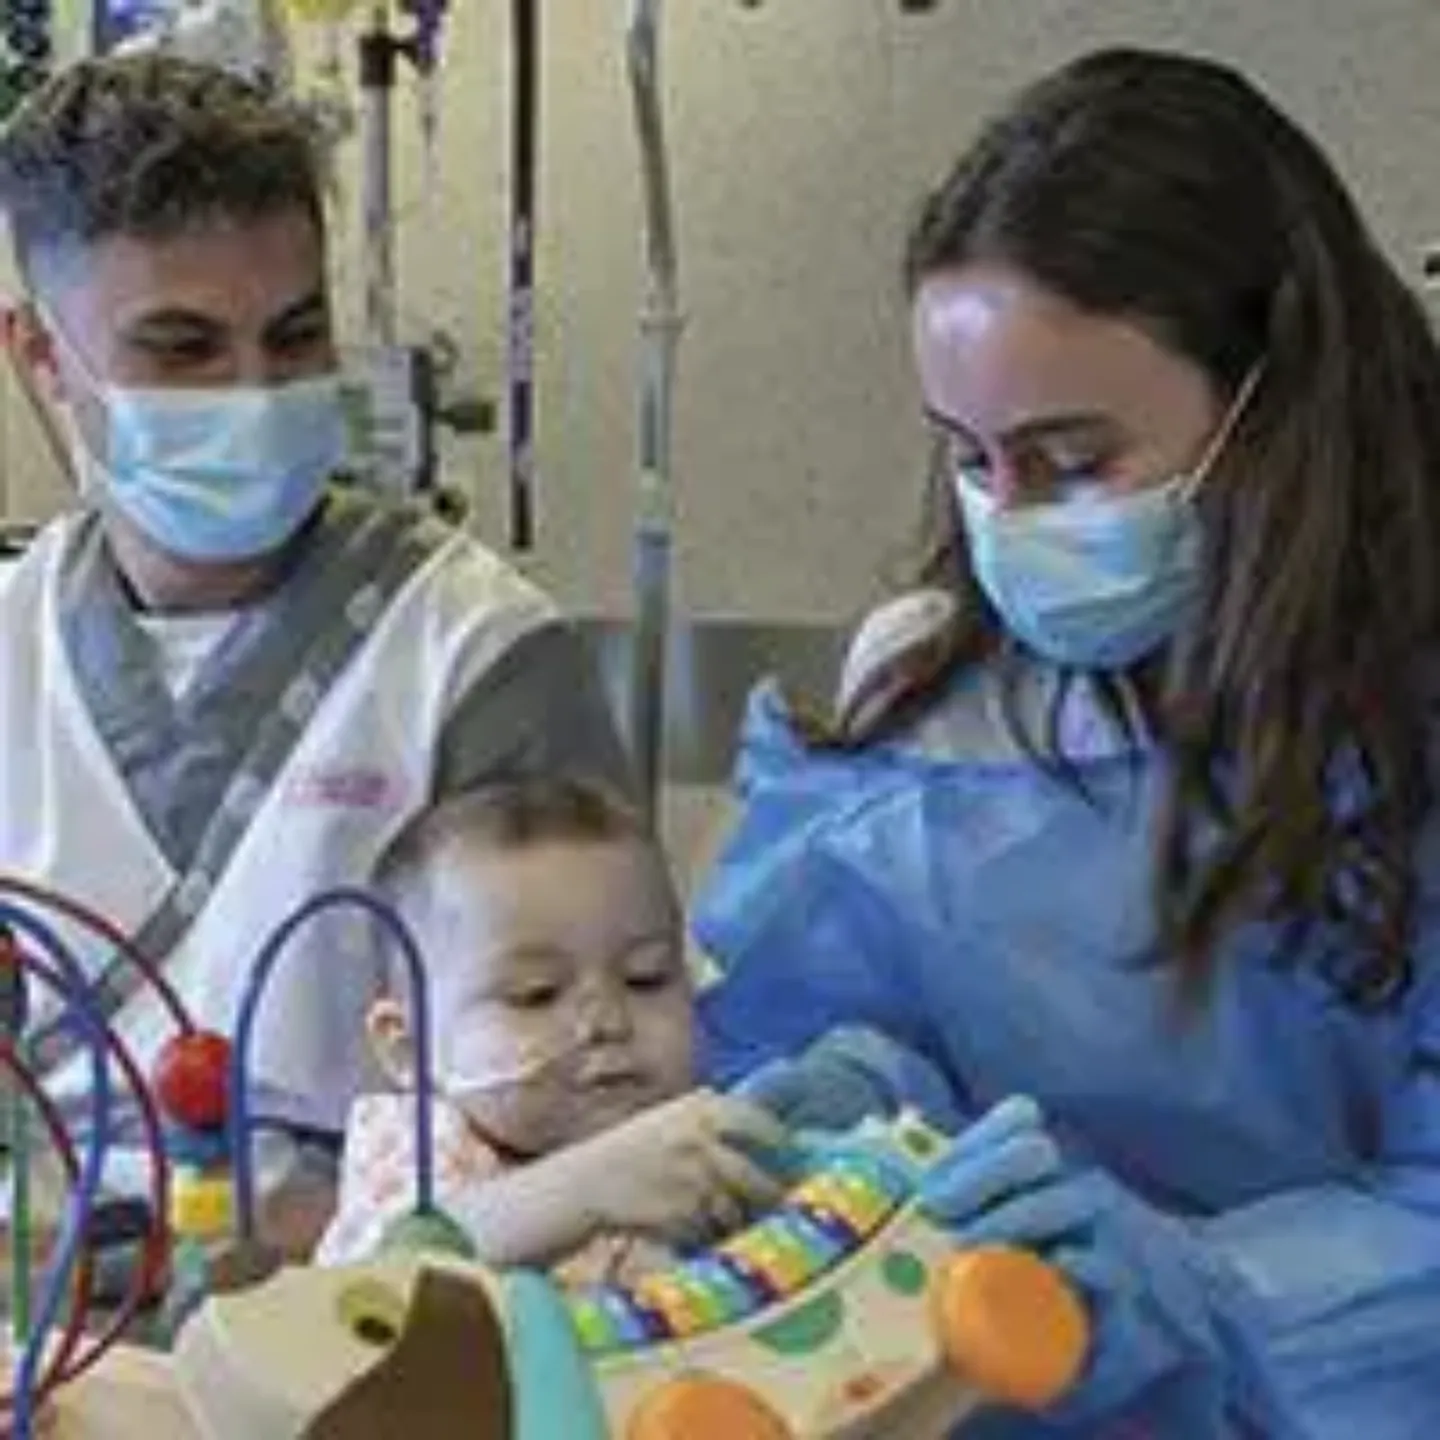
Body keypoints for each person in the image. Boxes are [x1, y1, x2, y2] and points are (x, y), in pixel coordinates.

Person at [693, 47, 1440, 1440]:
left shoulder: (1403, 734)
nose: (1011, 518)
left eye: (1076, 460)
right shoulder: (927, 696)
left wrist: (1198, 1300)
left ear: (1273, 402)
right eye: (972, 460)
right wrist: (859, 1103)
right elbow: (849, 1004)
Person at [0, 55, 632, 1231]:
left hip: (375, 1322)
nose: (254, 389)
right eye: (183, 348)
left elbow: (602, 1096)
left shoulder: (474, 657)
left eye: (294, 336)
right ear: (43, 361)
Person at [317, 776, 790, 1274]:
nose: (607, 1022)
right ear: (409, 1049)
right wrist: (588, 1186)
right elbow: (375, 1286)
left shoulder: (689, 1128)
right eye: (536, 994)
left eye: (645, 978)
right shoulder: (421, 1146)